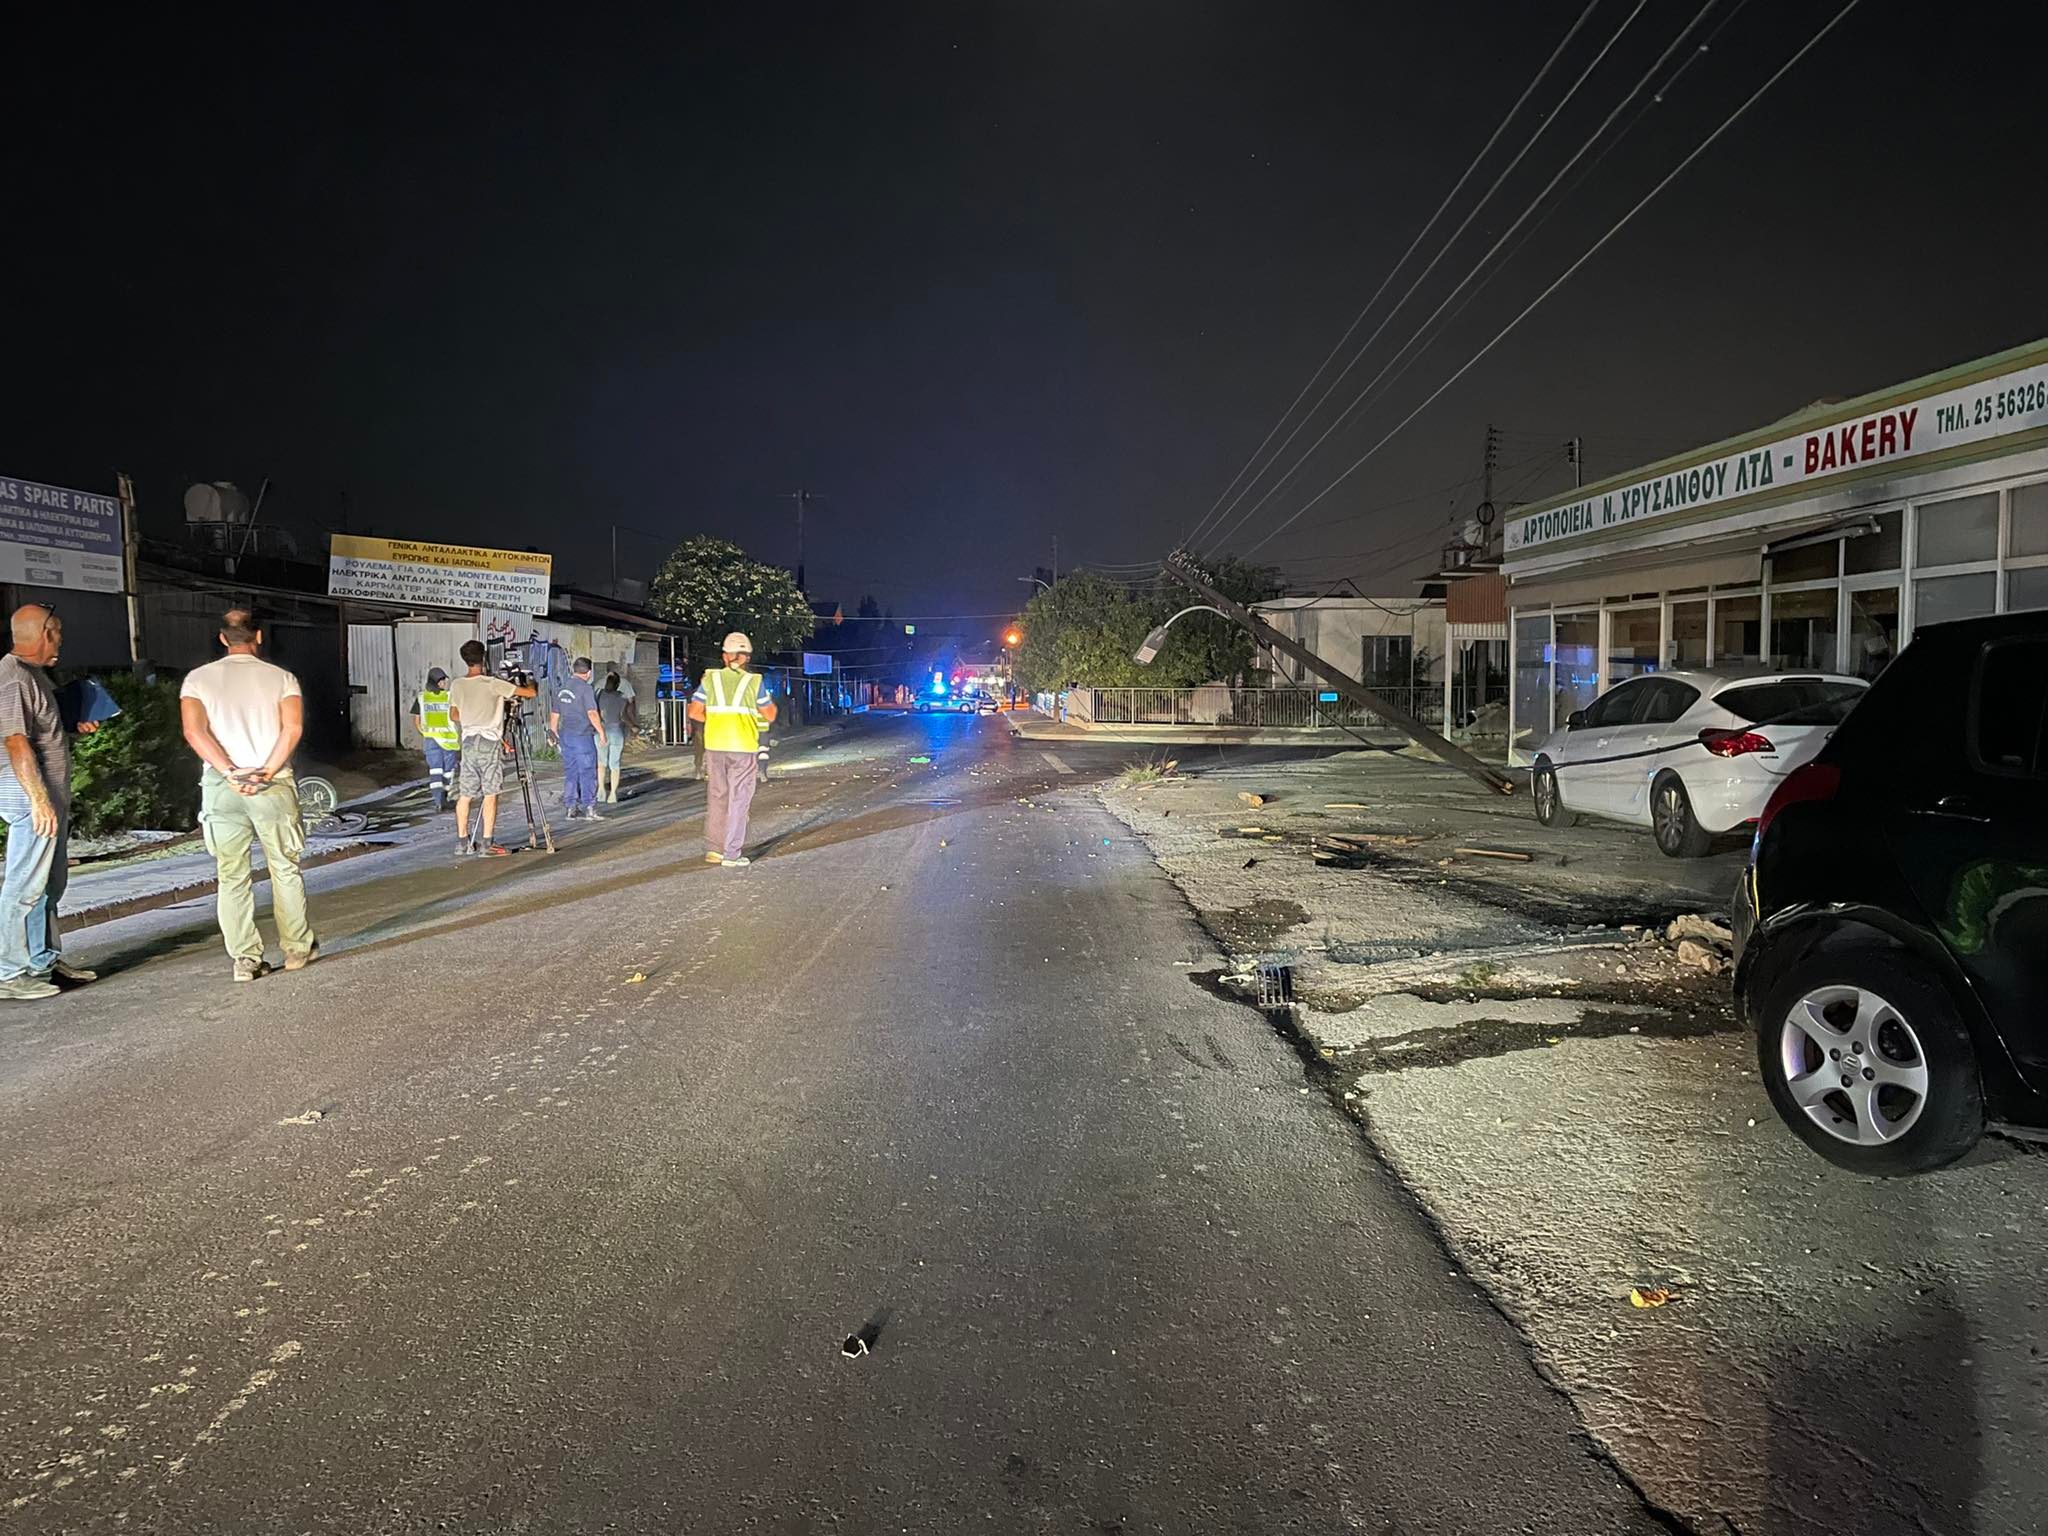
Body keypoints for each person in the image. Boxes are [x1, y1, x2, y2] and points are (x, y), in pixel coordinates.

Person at [178, 608, 315, 983]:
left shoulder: (197, 680)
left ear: (223, 638)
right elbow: (292, 728)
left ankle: (246, 960)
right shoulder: (281, 679)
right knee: (284, 868)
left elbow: (194, 733)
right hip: (270, 783)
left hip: (223, 788)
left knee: (231, 875)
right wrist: (266, 772)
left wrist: (229, 772)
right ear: (258, 636)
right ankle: (296, 949)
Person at [0, 605, 102, 1001]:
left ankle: (42, 962)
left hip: (46, 802)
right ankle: (9, 973)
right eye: (57, 633)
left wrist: (71, 728)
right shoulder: (12, 679)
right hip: (31, 804)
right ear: (45, 632)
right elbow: (15, 742)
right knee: (23, 887)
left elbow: (39, 736)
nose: (61, 640)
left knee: (48, 887)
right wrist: (39, 801)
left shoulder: (33, 676)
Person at [688, 632, 776, 867]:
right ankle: (732, 854)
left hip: (715, 746)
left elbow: (694, 712)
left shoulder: (710, 679)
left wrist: (716, 719)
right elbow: (770, 713)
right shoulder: (753, 682)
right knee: (739, 800)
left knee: (717, 796)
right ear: (746, 657)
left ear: (725, 656)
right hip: (743, 747)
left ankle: (715, 850)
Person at [448, 639, 538, 857]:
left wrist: (472, 715)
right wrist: (530, 681)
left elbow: (454, 714)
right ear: (484, 658)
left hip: (468, 742)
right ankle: (487, 843)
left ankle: (462, 843)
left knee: (466, 793)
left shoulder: (457, 685)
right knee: (491, 792)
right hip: (489, 741)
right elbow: (529, 694)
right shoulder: (493, 684)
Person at [550, 657, 606, 820]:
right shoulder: (586, 689)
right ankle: (589, 807)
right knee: (588, 771)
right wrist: (601, 731)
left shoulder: (562, 687)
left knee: (571, 772)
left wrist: (553, 733)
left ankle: (571, 808)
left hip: (566, 736)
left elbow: (555, 713)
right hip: (582, 736)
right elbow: (592, 713)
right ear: (588, 672)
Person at [409, 666, 461, 812]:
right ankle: (444, 799)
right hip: (448, 740)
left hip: (431, 740)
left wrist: (426, 733)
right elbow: (456, 715)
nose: (444, 682)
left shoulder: (421, 697)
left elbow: (417, 721)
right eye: (441, 680)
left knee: (435, 771)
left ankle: (439, 801)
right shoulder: (449, 697)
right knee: (447, 771)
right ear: (435, 681)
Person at [596, 671, 635, 804]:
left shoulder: (599, 695)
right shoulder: (622, 697)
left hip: (601, 732)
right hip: (616, 731)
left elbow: (596, 713)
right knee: (615, 764)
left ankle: (601, 790)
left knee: (601, 763)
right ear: (618, 684)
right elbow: (624, 715)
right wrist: (633, 726)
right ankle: (613, 794)